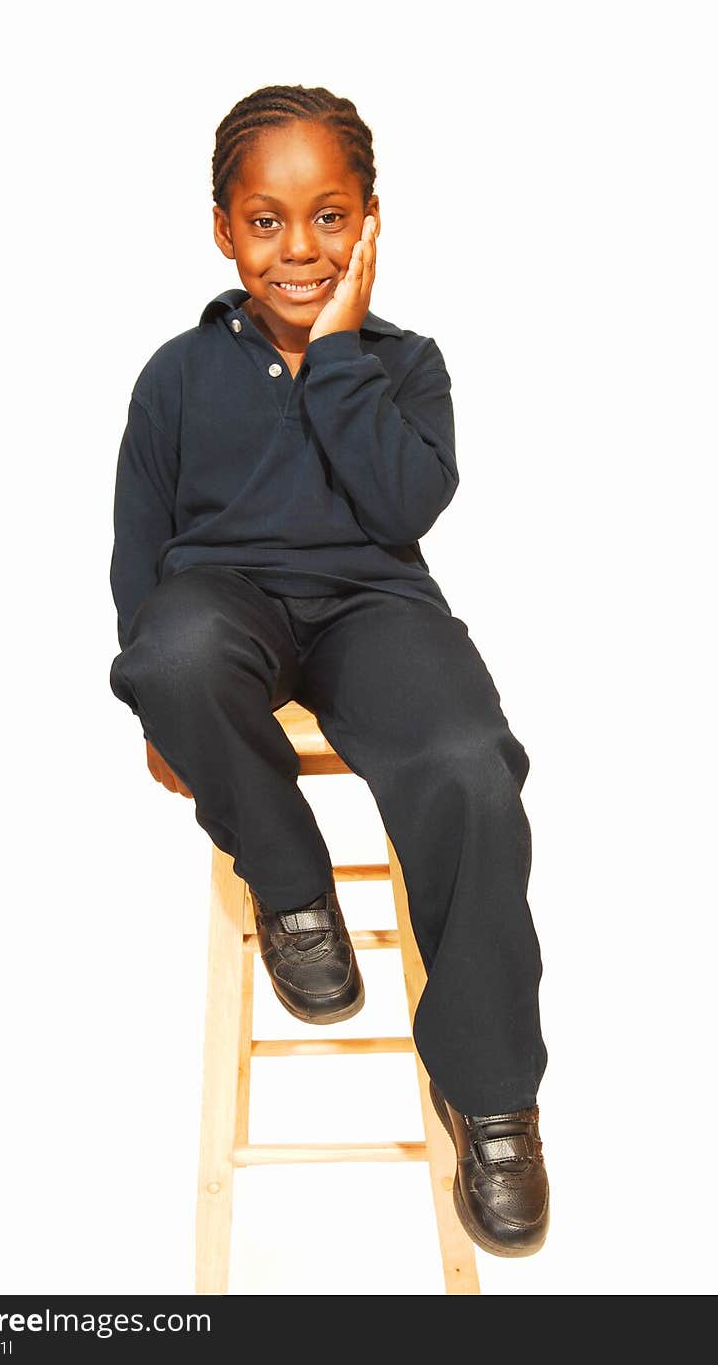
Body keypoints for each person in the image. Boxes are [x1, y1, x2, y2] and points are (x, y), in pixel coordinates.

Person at [109, 84, 550, 1258]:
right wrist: (158, 696)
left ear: (367, 225)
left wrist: (341, 349)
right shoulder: (175, 374)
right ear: (222, 229)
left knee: (466, 764)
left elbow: (406, 502)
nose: (299, 248)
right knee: (177, 642)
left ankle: (495, 1096)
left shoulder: (404, 365)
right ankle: (295, 890)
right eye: (267, 220)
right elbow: (138, 547)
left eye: (329, 218)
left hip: (372, 605)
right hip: (227, 600)